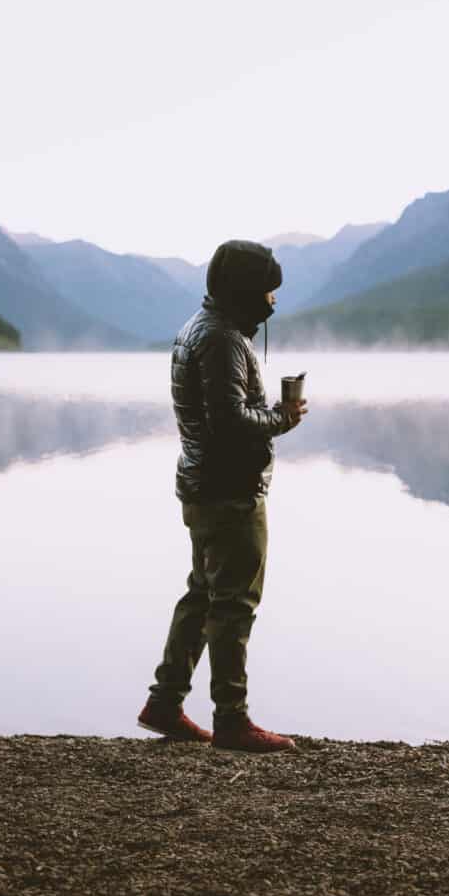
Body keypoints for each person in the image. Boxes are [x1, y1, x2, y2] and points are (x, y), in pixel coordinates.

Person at [137, 239, 308, 753]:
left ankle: (165, 703)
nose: (273, 304)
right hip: (229, 491)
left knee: (202, 593)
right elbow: (230, 422)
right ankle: (232, 719)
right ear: (245, 291)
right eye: (268, 293)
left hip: (201, 485)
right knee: (234, 602)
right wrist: (283, 417)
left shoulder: (201, 328)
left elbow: (218, 416)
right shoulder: (223, 341)